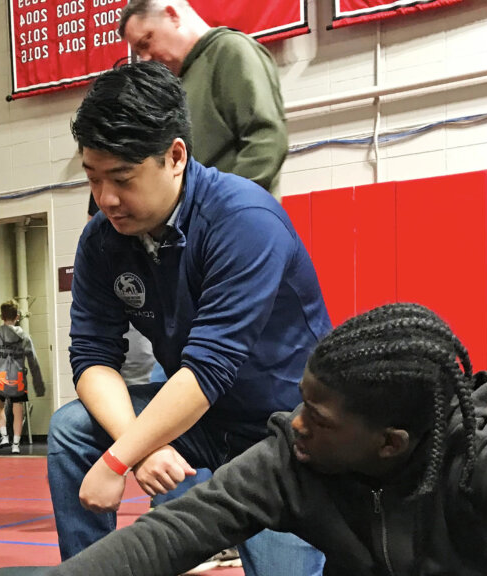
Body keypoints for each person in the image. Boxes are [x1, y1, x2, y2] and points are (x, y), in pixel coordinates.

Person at [48, 59, 329, 576]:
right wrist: (137, 448)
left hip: (279, 429)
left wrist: (120, 457)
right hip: (198, 419)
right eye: (93, 178)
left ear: (175, 156)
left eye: (122, 178)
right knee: (71, 429)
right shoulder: (103, 239)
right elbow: (91, 357)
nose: (105, 198)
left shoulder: (244, 219)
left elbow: (209, 367)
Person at [49, 302, 487, 575]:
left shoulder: (480, 468)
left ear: (390, 443)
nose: (297, 422)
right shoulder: (293, 455)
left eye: (320, 419)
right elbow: (174, 532)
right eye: (302, 401)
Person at [119, 0, 287, 195]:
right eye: (139, 53)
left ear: (172, 15)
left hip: (236, 220)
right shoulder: (179, 82)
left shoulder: (231, 51)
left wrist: (227, 207)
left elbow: (265, 139)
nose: (145, 58)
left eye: (146, 41)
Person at [0, 301, 45, 454]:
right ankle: (16, 445)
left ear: (1, 316)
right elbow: (33, 361)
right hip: (17, 378)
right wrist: (38, 384)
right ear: (17, 317)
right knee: (18, 412)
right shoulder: (24, 335)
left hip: (0, 378)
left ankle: (4, 436)